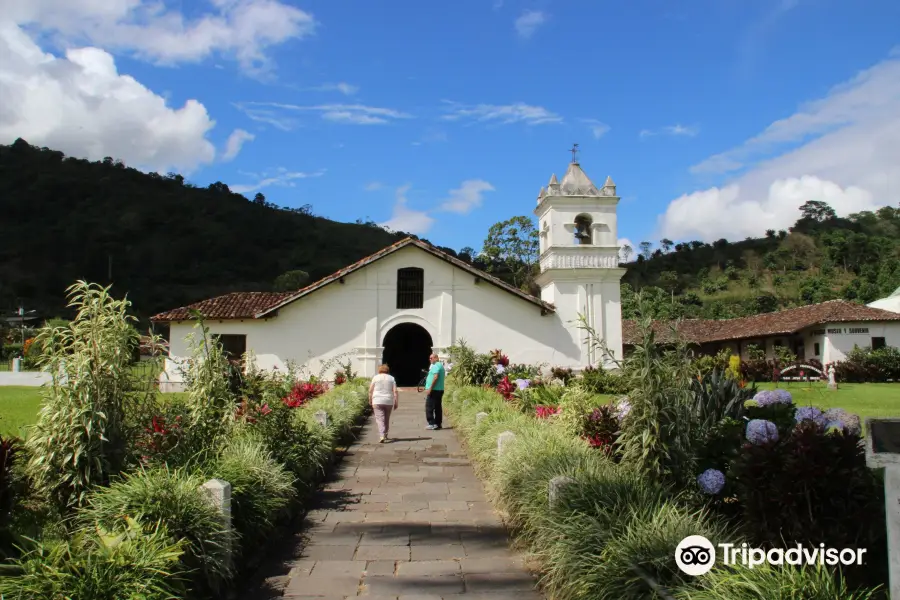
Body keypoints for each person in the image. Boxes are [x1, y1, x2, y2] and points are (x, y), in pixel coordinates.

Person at [369, 364, 398, 443]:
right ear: (387, 370)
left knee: (380, 419)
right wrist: (396, 402)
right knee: (386, 418)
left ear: (379, 370)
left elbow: (370, 390)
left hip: (377, 400)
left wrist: (370, 399)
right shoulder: (391, 378)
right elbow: (395, 391)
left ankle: (382, 435)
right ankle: (385, 434)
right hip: (388, 400)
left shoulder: (375, 377)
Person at [423, 353, 445, 430]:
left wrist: (430, 388)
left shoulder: (436, 366)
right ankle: (438, 423)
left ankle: (431, 423)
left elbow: (435, 377)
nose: (430, 360)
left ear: (436, 358)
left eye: (431, 358)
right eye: (429, 358)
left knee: (429, 407)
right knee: (437, 407)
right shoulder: (439, 365)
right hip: (439, 389)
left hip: (434, 390)